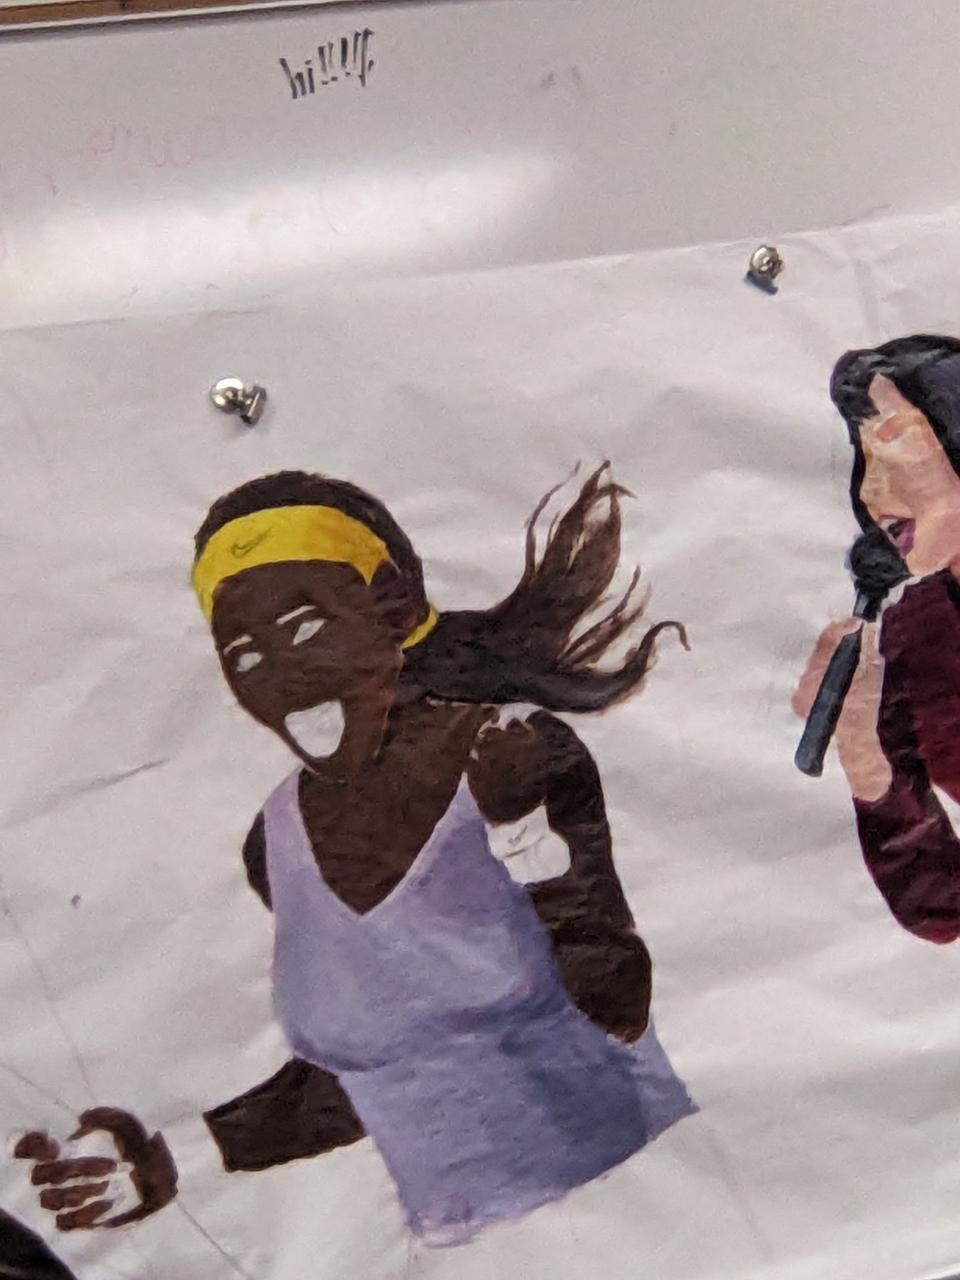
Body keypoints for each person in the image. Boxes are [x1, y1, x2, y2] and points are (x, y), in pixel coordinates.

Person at [17, 465, 695, 1245]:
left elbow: (617, 1006)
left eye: (307, 630)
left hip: (640, 1220)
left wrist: (520, 835)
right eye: (245, 658)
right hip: (461, 1254)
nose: (283, 678)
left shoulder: (515, 753)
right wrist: (167, 1159)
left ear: (392, 608)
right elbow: (375, 1075)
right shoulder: (276, 843)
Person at [794, 334, 960, 944]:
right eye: (865, 458)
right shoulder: (909, 631)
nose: (872, 490)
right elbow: (941, 909)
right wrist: (862, 750)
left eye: (895, 446)